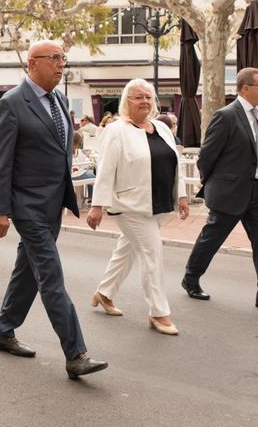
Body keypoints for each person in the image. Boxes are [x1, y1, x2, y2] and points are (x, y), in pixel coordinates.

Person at [0, 40, 107, 380]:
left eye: (63, 59)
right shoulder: (12, 104)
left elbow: (59, 151)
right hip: (26, 206)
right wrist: (0, 210)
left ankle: (3, 330)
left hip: (52, 204)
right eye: (54, 58)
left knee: (27, 271)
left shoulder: (60, 99)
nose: (60, 64)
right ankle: (75, 353)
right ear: (32, 63)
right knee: (51, 277)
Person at [182, 67, 258, 313]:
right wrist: (214, 184)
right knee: (211, 239)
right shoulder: (226, 116)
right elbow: (207, 156)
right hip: (230, 191)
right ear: (245, 89)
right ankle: (191, 277)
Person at [87, 78, 189, 335]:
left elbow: (175, 162)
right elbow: (106, 169)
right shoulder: (116, 130)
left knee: (129, 249)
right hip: (129, 204)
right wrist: (97, 205)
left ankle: (105, 292)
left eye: (148, 96)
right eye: (137, 97)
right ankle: (159, 313)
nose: (144, 101)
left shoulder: (161, 128)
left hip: (158, 203)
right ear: (126, 101)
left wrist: (182, 196)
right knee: (152, 253)